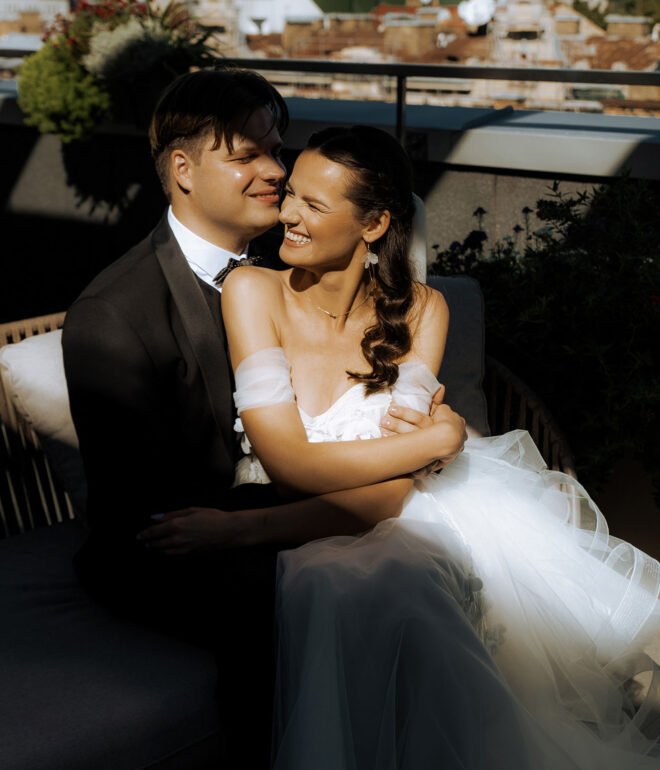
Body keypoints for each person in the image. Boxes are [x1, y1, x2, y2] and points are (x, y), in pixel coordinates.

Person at [142, 125, 660, 768]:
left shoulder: (424, 309)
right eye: (292, 195)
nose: (289, 215)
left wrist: (238, 532)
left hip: (429, 511)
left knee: (404, 580)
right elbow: (289, 463)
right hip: (329, 524)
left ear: (374, 223)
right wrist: (435, 441)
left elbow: (394, 495)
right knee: (369, 585)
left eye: (314, 205)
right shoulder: (254, 290)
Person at [62, 68, 465, 768]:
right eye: (247, 155)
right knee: (303, 600)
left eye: (276, 150)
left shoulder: (288, 269)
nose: (274, 173)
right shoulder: (114, 315)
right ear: (182, 170)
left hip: (289, 504)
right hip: (170, 539)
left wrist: (427, 430)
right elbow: (148, 511)